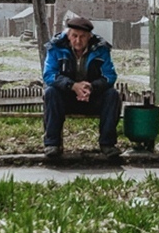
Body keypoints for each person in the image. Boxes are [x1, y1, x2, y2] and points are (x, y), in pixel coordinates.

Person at [41, 15, 121, 160]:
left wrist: (91, 87)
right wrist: (72, 86)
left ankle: (108, 145)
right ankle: (52, 144)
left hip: (91, 97)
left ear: (90, 37)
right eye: (74, 36)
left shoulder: (101, 48)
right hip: (66, 98)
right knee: (51, 92)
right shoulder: (56, 47)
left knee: (112, 95)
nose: (78, 40)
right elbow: (49, 75)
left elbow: (110, 76)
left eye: (82, 37)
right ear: (68, 35)